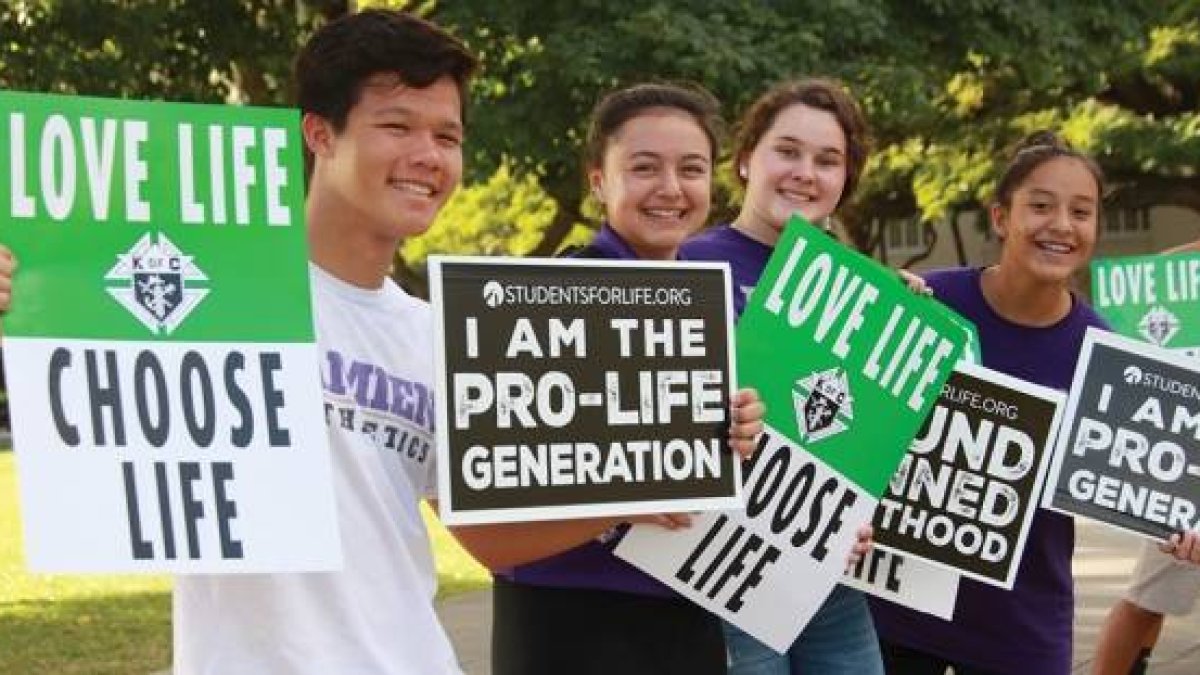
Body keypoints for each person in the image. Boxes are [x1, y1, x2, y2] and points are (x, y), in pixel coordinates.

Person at [487, 81, 766, 675]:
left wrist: (742, 428)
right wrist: (615, 496)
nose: (670, 188)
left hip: (686, 605)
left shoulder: (717, 303)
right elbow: (508, 467)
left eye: (691, 169)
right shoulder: (550, 299)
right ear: (598, 181)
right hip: (568, 612)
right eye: (644, 167)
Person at [868, 131, 1109, 674]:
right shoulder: (929, 303)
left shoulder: (1104, 355)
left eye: (1081, 212)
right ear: (1001, 217)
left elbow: (1137, 482)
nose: (1062, 225)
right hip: (895, 611)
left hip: (1021, 624)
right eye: (1041, 206)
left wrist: (1180, 523)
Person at [682, 77, 885, 675]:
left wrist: (861, 514)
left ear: (846, 179)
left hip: (832, 574)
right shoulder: (688, 264)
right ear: (747, 159)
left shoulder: (865, 292)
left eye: (828, 160)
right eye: (787, 151)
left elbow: (863, 434)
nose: (805, 173)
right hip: (722, 568)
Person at [1090, 238, 1200, 675]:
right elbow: (1156, 278)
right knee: (1149, 599)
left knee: (1151, 601)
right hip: (1190, 456)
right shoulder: (1185, 272)